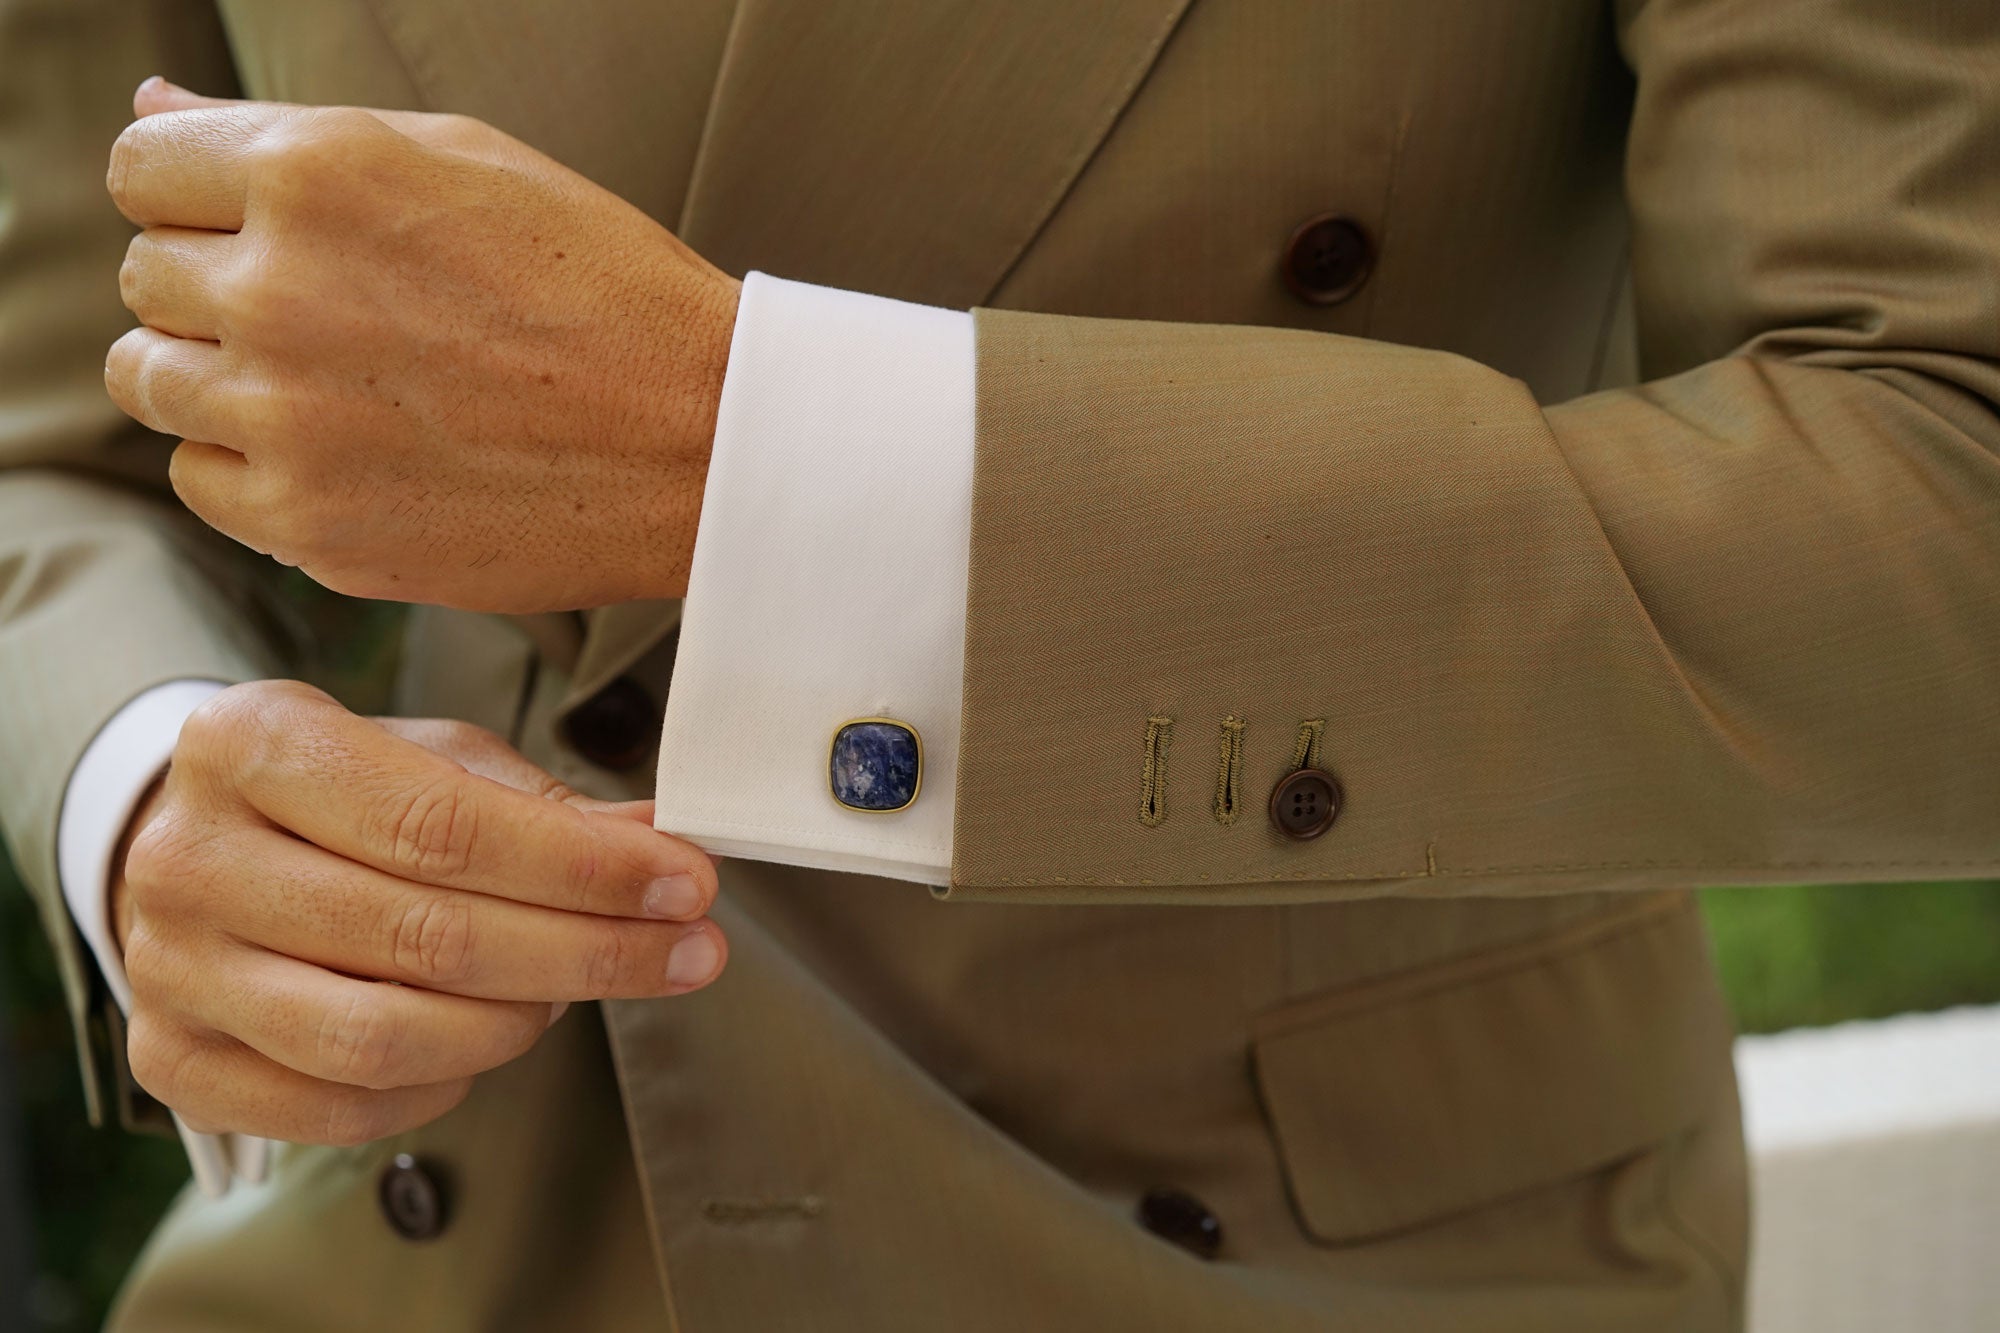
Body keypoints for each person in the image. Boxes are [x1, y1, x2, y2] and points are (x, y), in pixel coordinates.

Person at [4, 0, 1996, 1328]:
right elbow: (52, 422)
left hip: (1301, 1256)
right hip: (422, 1232)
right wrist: (147, 780)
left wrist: (773, 464)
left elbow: (1944, 502)